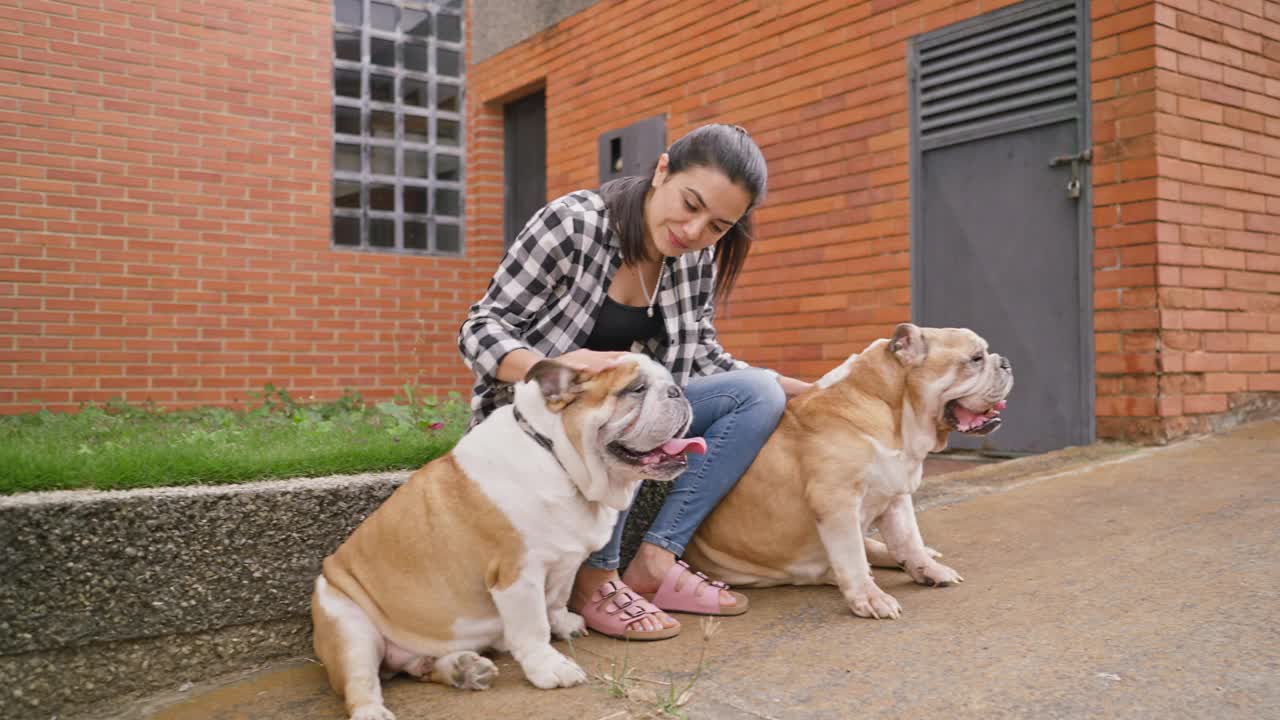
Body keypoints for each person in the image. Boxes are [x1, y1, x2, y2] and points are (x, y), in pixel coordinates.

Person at [458, 123, 811, 641]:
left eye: (717, 226)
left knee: (759, 395)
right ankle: (596, 579)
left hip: (628, 410)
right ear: (663, 170)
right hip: (542, 420)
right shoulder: (572, 224)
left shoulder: (694, 260)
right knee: (623, 411)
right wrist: (549, 369)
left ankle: (654, 562)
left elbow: (704, 356)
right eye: (690, 204)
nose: (693, 232)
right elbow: (481, 328)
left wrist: (803, 387)